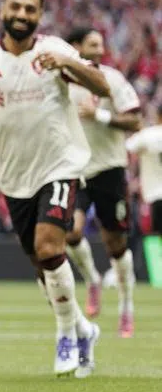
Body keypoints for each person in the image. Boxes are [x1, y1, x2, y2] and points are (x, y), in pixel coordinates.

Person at [0, 0, 109, 377]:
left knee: (49, 243)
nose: (21, 15)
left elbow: (102, 85)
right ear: (2, 10)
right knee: (43, 266)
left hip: (61, 166)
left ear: (40, 16)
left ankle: (67, 334)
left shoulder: (56, 51)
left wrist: (68, 64)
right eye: (15, 7)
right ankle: (84, 330)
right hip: (15, 176)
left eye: (30, 10)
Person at [64, 27, 142, 335]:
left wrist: (100, 117)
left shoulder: (113, 79)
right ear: (76, 47)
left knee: (116, 245)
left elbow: (135, 120)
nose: (100, 50)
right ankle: (93, 280)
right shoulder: (64, 83)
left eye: (101, 44)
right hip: (77, 169)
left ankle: (126, 305)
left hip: (110, 169)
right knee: (70, 232)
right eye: (93, 45)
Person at [126, 114, 162, 242]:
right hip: (154, 195)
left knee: (155, 237)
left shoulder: (147, 135)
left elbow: (128, 147)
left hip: (155, 195)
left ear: (158, 117)